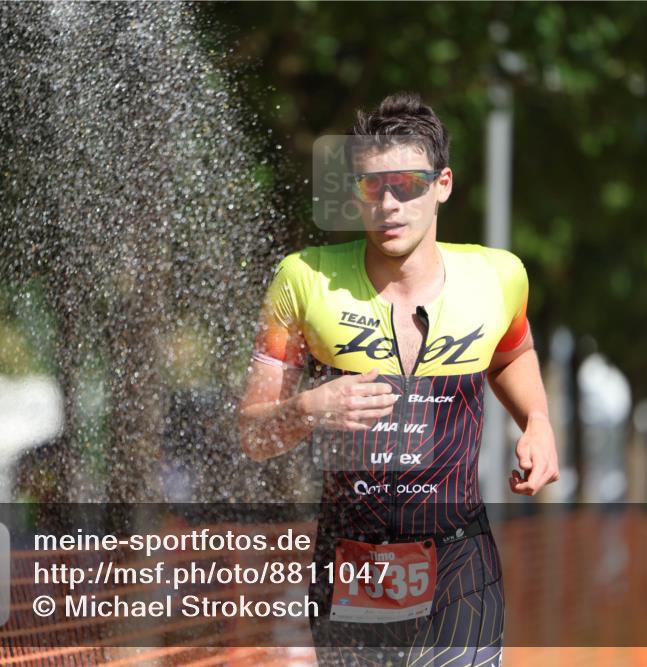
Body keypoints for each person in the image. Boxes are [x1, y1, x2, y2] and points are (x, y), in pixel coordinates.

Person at [239, 92, 559, 666]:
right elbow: (253, 435)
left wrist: (536, 420)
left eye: (407, 184)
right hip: (353, 565)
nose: (388, 204)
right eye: (371, 187)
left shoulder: (499, 278)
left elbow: (513, 353)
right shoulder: (303, 282)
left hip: (462, 559)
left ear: (443, 184)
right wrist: (313, 408)